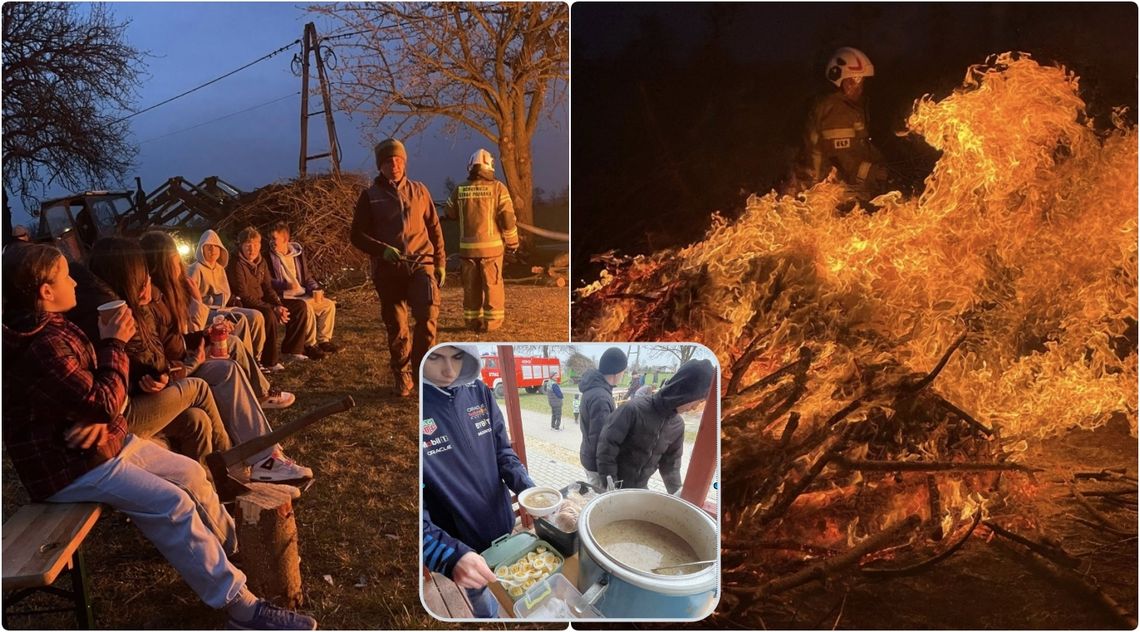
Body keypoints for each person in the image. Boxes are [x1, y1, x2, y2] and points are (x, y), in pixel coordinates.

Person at [1, 243, 318, 630]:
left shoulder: (54, 326)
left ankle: (238, 552)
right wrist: (113, 345)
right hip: (69, 469)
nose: (74, 282)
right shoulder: (42, 345)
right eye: (65, 276)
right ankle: (240, 606)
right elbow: (103, 402)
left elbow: (104, 406)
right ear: (45, 293)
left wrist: (106, 412)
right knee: (173, 504)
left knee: (191, 474)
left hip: (102, 446)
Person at [87, 237, 310, 484]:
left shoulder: (151, 298)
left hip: (172, 369)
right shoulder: (136, 306)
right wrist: (191, 359)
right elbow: (158, 358)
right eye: (176, 262)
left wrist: (199, 335)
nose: (182, 267)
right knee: (223, 371)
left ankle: (261, 441)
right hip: (165, 379)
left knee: (230, 354)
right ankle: (254, 456)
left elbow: (164, 347)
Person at [420, 345, 535, 618]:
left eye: (458, 358)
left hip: (502, 523)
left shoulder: (479, 390)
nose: (449, 370)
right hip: (460, 543)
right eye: (435, 357)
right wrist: (450, 556)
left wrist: (529, 490)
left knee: (518, 583)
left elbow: (503, 451)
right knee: (481, 596)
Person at [140, 231, 294, 410]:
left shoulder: (203, 275)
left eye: (215, 248)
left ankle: (257, 380)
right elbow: (181, 336)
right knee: (248, 321)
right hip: (189, 352)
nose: (180, 264)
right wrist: (199, 301)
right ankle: (256, 390)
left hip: (212, 317)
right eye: (175, 259)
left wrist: (207, 333)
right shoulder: (164, 292)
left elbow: (184, 334)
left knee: (239, 328)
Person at [350, 138, 446, 397]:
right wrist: (382, 250)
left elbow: (435, 228)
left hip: (420, 264)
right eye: (389, 161)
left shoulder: (420, 190)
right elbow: (356, 235)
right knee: (397, 327)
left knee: (427, 319)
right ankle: (402, 375)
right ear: (380, 166)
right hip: (389, 270)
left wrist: (440, 262)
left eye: (398, 159)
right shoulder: (370, 196)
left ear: (404, 162)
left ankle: (424, 375)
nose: (394, 164)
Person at [596, 359, 715, 494]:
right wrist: (612, 488)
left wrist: (678, 495)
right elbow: (606, 448)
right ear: (686, 393)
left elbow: (671, 466)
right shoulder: (632, 410)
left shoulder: (677, 426)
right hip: (615, 486)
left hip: (640, 488)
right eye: (698, 401)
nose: (694, 408)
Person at [444, 149, 520, 332]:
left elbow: (449, 212)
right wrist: (513, 242)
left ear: (471, 166)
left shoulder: (459, 189)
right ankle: (492, 324)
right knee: (492, 286)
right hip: (492, 251)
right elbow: (508, 218)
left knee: (470, 286)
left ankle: (472, 322)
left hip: (467, 251)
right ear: (490, 166)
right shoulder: (498, 188)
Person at [800, 46, 888, 201]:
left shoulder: (849, 108)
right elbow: (843, 160)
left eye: (862, 80)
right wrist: (875, 172)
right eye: (854, 80)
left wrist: (884, 163)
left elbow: (862, 147)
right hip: (830, 195)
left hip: (840, 189)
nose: (859, 87)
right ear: (839, 81)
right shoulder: (836, 111)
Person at [229, 226, 322, 363]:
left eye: (256, 244)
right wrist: (273, 308)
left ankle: (292, 351)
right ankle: (269, 360)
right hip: (246, 304)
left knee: (299, 306)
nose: (252, 249)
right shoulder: (236, 264)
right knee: (269, 314)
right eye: (248, 244)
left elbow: (268, 288)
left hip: (263, 300)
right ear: (241, 246)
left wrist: (279, 304)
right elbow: (244, 295)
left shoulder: (261, 262)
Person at [187, 229, 271, 370]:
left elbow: (225, 292)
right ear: (202, 249)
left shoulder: (219, 268)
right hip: (207, 311)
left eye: (216, 247)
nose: (213, 250)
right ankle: (245, 360)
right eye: (209, 247)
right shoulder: (196, 269)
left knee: (256, 316)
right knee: (239, 319)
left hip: (224, 307)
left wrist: (232, 300)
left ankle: (256, 358)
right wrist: (210, 300)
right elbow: (192, 298)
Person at [266, 222, 339, 355]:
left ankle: (324, 341)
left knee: (328, 305)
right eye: (270, 238)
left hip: (301, 293)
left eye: (274, 239)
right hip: (285, 297)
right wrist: (285, 285)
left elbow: (306, 277)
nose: (271, 242)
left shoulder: (297, 255)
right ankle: (309, 345)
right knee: (306, 308)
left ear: (285, 239)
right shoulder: (268, 257)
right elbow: (267, 282)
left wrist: (316, 289)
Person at [577, 347, 627, 489]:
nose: (624, 374)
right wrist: (607, 473)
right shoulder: (601, 398)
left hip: (589, 455)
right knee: (600, 498)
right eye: (623, 370)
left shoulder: (595, 390)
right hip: (596, 463)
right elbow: (602, 439)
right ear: (616, 372)